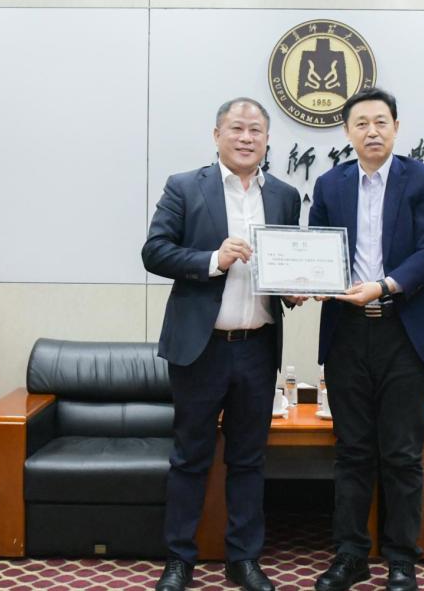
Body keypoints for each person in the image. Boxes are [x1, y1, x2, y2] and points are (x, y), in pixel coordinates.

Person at [143, 98, 302, 591]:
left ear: (268, 139)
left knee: (249, 459)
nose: (246, 138)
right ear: (217, 135)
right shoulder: (185, 186)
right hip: (201, 347)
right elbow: (154, 251)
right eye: (236, 128)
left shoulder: (285, 196)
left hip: (257, 346)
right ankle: (179, 560)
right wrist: (213, 259)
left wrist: (294, 288)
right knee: (190, 457)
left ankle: (244, 559)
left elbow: (287, 262)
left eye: (256, 130)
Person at [309, 88, 424, 591]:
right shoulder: (330, 184)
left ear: (396, 127)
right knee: (351, 451)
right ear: (347, 132)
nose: (372, 131)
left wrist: (385, 285)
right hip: (347, 332)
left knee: (402, 454)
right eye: (361, 123)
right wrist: (308, 283)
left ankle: (401, 560)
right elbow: (317, 249)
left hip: (404, 331)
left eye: (381, 122)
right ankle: (349, 556)